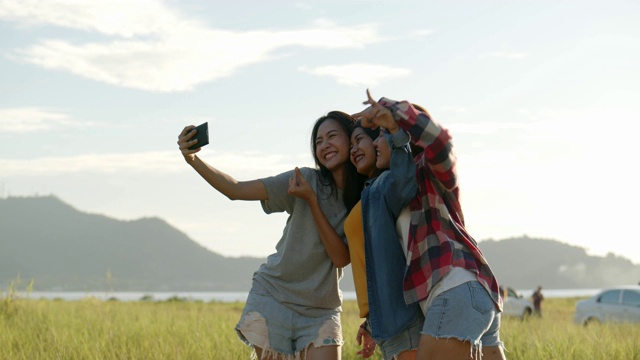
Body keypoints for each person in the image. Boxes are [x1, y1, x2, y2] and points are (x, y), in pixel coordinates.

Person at [177, 111, 363, 360]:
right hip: (274, 297)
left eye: (332, 136)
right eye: (318, 141)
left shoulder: (364, 195)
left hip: (321, 308)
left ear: (352, 139)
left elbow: (341, 258)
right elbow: (236, 189)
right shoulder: (303, 178)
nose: (324, 145)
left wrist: (311, 200)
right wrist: (193, 160)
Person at [353, 90, 506, 360]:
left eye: (381, 134)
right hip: (462, 298)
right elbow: (395, 270)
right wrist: (373, 321)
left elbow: (439, 141)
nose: (376, 142)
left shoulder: (431, 171)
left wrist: (390, 111)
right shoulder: (394, 192)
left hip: (457, 292)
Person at [344, 121, 423, 359]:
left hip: (401, 319)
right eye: (351, 145)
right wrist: (371, 321)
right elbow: (376, 261)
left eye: (360, 140)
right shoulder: (370, 193)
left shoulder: (386, 184)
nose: (353, 149)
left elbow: (404, 180)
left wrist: (390, 126)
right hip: (385, 318)